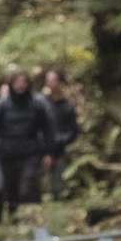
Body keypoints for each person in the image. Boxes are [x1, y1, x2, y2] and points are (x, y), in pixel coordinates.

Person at [0, 69, 55, 223]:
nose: (20, 86)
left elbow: (47, 129)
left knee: (28, 185)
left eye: (23, 82)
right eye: (17, 82)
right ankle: (13, 220)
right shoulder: (1, 106)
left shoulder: (37, 105)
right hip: (7, 154)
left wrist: (48, 152)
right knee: (9, 188)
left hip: (30, 153)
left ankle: (31, 219)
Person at [39, 68, 81, 198]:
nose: (51, 83)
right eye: (48, 80)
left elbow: (74, 130)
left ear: (59, 82)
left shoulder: (67, 105)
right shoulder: (40, 103)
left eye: (54, 80)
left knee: (59, 187)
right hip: (41, 151)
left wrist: (60, 140)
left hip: (60, 151)